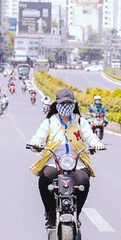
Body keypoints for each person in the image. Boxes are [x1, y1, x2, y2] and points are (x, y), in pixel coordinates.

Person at [29, 89, 105, 228]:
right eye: (62, 103)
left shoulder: (81, 122)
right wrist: (35, 144)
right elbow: (39, 136)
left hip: (77, 161)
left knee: (84, 181)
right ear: (57, 104)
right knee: (44, 180)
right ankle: (50, 214)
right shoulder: (49, 122)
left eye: (68, 102)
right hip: (54, 160)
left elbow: (90, 136)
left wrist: (96, 144)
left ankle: (77, 214)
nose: (65, 105)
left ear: (73, 104)